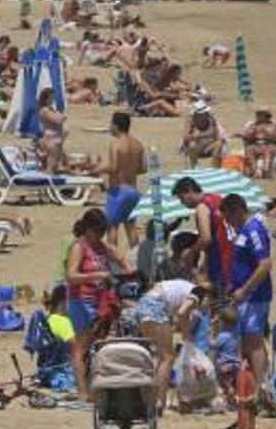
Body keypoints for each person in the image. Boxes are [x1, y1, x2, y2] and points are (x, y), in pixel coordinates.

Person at [65, 208, 134, 401]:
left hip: (100, 302)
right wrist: (97, 275)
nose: (99, 236)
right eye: (97, 232)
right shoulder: (79, 247)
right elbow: (71, 276)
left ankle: (93, 386)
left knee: (98, 345)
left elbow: (123, 261)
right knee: (80, 347)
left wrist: (128, 272)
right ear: (87, 229)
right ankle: (82, 390)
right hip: (81, 301)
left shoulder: (102, 247)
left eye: (102, 232)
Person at [220, 194, 273, 391]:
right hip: (244, 296)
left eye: (228, 219)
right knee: (247, 342)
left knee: (254, 342)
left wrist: (244, 290)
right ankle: (256, 383)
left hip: (255, 297)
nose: (228, 224)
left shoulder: (254, 230)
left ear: (238, 211)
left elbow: (265, 265)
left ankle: (261, 386)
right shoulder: (243, 231)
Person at [135, 279, 206, 409]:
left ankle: (151, 399)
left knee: (158, 357)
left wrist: (185, 335)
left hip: (142, 306)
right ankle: (159, 402)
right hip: (154, 307)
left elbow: (180, 314)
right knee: (168, 358)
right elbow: (182, 313)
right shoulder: (199, 292)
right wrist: (187, 337)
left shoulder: (185, 287)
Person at [96, 112, 146, 251]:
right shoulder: (138, 144)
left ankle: (113, 260)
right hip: (133, 191)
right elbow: (142, 169)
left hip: (118, 191)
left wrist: (97, 169)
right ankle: (136, 259)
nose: (109, 127)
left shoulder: (116, 144)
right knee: (131, 227)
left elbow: (114, 167)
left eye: (111, 124)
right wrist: (128, 169)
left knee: (112, 227)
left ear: (116, 126)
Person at [172, 177, 230, 290]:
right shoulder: (216, 198)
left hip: (218, 255)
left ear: (189, 191)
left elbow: (206, 238)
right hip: (229, 251)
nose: (182, 203)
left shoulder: (202, 207)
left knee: (217, 294)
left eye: (181, 198)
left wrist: (192, 252)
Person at [238, 107, 276, 179]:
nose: (257, 116)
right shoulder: (253, 125)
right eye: (257, 115)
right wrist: (251, 134)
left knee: (268, 150)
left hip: (270, 145)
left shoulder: (274, 125)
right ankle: (255, 171)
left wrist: (269, 135)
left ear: (266, 116)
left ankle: (266, 171)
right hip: (256, 145)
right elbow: (246, 136)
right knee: (249, 149)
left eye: (260, 114)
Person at [182, 102, 225, 168]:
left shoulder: (211, 119)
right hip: (196, 147)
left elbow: (218, 137)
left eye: (204, 113)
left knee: (218, 145)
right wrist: (202, 135)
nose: (203, 115)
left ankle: (215, 169)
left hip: (209, 145)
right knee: (192, 145)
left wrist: (213, 145)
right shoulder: (191, 120)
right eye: (200, 114)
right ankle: (193, 168)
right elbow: (185, 138)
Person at [37, 88, 68, 173]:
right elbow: (57, 120)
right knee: (52, 164)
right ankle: (48, 182)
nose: (53, 99)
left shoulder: (50, 109)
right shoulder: (45, 110)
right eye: (51, 97)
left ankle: (50, 181)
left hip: (56, 139)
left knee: (57, 163)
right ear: (46, 99)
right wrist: (63, 115)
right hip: (51, 139)